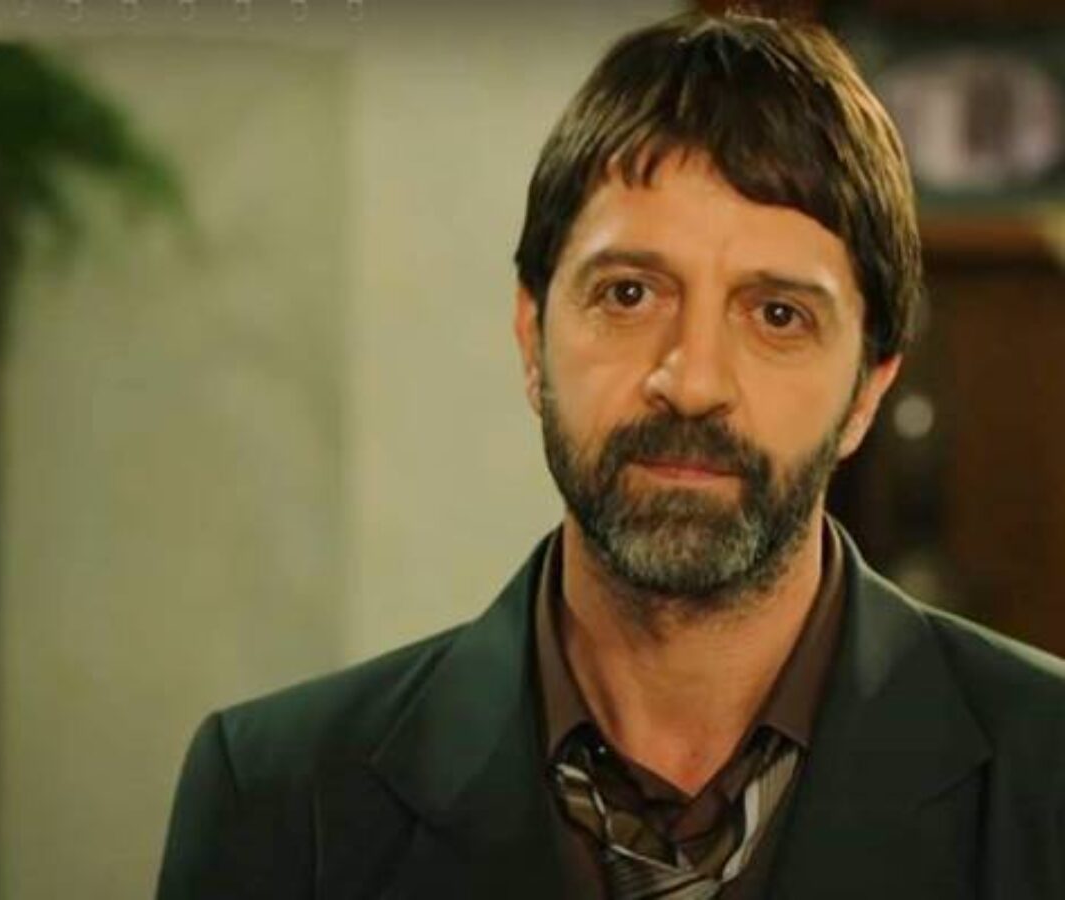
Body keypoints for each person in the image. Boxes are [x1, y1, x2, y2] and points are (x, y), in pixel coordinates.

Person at [156, 11, 1065, 900]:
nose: (692, 380)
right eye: (629, 294)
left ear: (868, 387)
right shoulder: (278, 801)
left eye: (778, 314)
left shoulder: (1048, 777)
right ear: (531, 335)